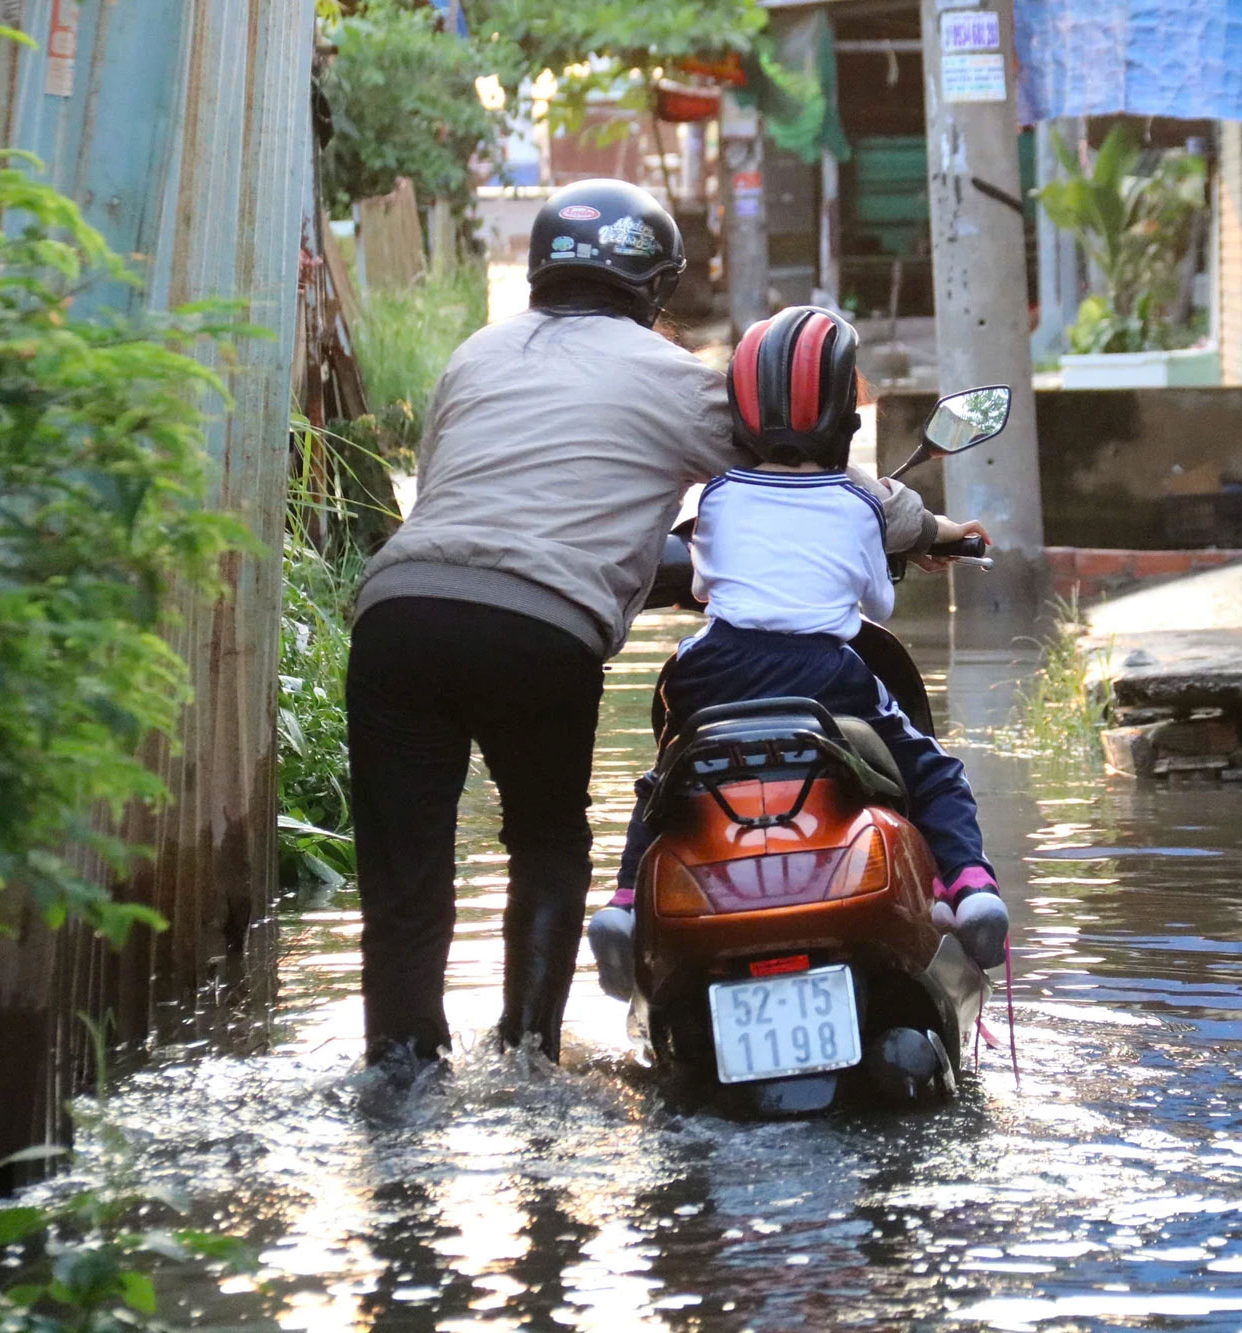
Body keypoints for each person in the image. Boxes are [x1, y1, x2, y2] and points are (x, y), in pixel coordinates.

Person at [346, 181, 980, 1067]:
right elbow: (793, 469)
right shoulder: (675, 380)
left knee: (404, 879)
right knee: (545, 843)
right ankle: (526, 1057)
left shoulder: (473, 356)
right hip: (538, 632)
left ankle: (401, 1067)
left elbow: (501, 504)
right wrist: (930, 530)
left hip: (397, 617)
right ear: (654, 286)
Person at [588, 306, 1010, 1001]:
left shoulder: (718, 494)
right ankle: (971, 891)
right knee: (935, 773)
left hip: (711, 670)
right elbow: (876, 607)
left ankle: (624, 905)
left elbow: (702, 584)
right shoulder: (859, 503)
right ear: (846, 419)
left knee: (665, 781)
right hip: (825, 675)